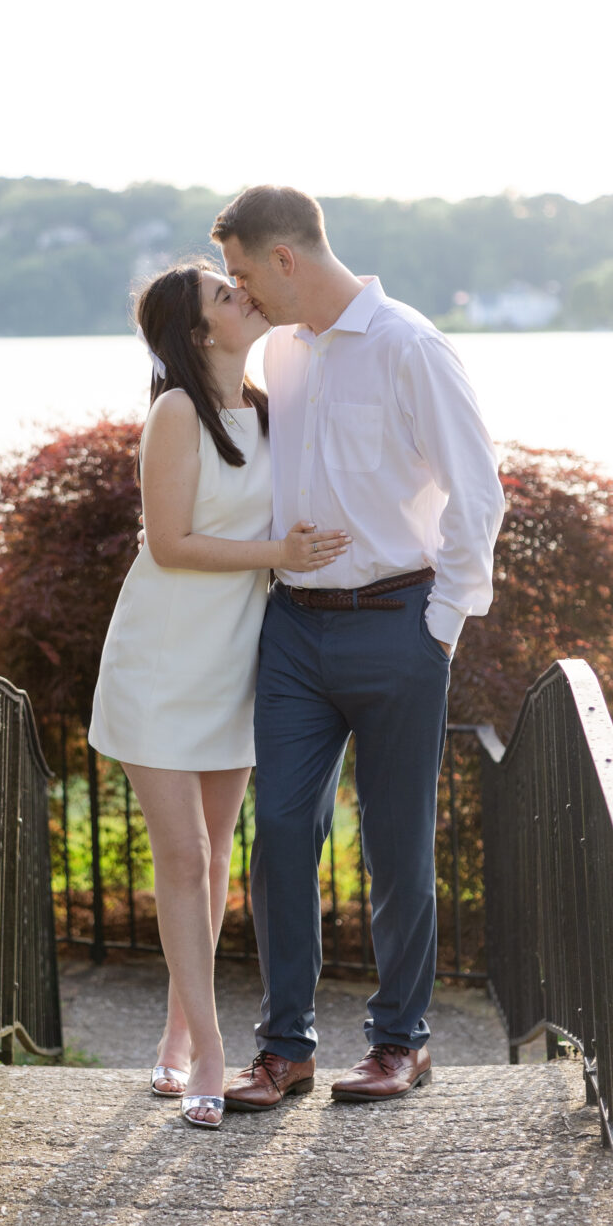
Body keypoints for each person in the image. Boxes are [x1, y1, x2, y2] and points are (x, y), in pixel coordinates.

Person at [212, 185, 505, 1110]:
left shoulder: (409, 346)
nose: (240, 291)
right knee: (283, 833)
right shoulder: (284, 353)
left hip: (398, 624)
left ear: (285, 259)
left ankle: (398, 1042)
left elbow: (477, 492)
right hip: (293, 627)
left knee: (395, 845)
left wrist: (442, 624)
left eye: (242, 271)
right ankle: (283, 1049)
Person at [88, 259, 349, 1128]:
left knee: (213, 857)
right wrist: (280, 555)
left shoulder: (271, 407)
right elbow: (168, 544)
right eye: (221, 293)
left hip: (237, 661)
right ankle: (207, 1049)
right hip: (162, 661)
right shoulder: (174, 413)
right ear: (199, 332)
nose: (241, 294)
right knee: (187, 860)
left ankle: (174, 1030)